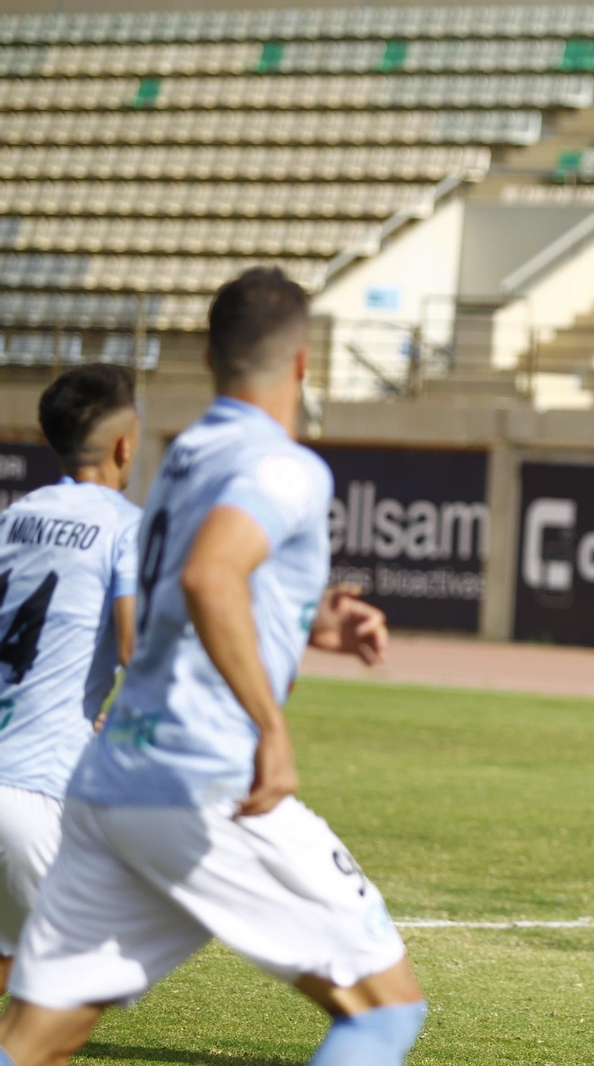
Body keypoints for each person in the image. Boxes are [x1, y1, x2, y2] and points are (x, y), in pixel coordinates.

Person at [0, 268, 427, 1066]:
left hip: (108, 783)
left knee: (34, 1042)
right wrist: (270, 726)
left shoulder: (181, 460)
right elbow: (208, 578)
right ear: (304, 363)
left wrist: (315, 620)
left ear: (207, 355)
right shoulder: (285, 465)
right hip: (203, 782)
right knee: (385, 1011)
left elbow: (182, 600)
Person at [0, 364, 143, 991]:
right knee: (65, 1005)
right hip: (39, 793)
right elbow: (140, 652)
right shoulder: (124, 525)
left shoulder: (15, 517)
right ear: (124, 443)